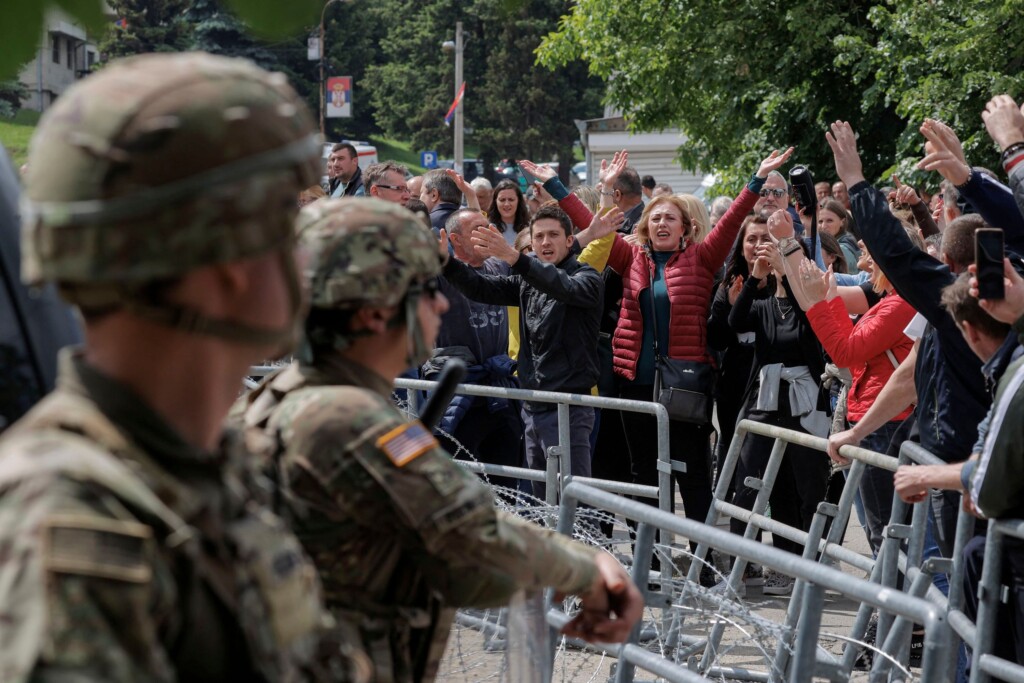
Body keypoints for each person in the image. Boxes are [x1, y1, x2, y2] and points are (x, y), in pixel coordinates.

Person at [0, 52, 346, 681]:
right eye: (289, 221)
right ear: (222, 261)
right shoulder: (69, 526)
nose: (309, 253)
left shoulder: (205, 465)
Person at [238, 199, 642, 682]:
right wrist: (590, 572)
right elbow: (473, 537)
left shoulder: (281, 398)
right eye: (421, 291)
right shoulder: (351, 422)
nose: (441, 305)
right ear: (371, 312)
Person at [600, 147, 794, 560]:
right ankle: (646, 557)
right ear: (645, 227)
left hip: (685, 387)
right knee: (642, 474)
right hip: (633, 382)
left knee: (692, 475)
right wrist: (597, 189)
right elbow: (592, 227)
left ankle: (703, 561)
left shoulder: (702, 258)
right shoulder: (630, 256)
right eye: (655, 217)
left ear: (685, 227)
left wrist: (757, 179)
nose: (661, 223)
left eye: (670, 217)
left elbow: (729, 223)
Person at [442, 204, 604, 500]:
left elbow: (563, 287)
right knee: (542, 499)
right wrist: (447, 264)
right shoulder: (527, 280)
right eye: (539, 236)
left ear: (570, 241)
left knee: (575, 504)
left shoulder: (587, 278)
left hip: (567, 406)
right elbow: (482, 288)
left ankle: (583, 548)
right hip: (532, 404)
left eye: (553, 235)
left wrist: (515, 258)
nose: (545, 242)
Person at [726, 209, 831, 596]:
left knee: (808, 488)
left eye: (788, 257)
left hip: (804, 403)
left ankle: (810, 569)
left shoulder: (812, 305)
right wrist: (756, 277)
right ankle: (739, 565)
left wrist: (796, 281)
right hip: (766, 402)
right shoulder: (763, 304)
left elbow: (813, 347)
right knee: (748, 482)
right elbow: (735, 323)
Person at [797, 233, 918, 554]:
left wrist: (824, 302)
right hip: (880, 417)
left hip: (886, 423)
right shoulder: (896, 300)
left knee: (886, 535)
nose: (863, 266)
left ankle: (892, 601)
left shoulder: (900, 305)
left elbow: (844, 351)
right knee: (882, 529)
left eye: (869, 258)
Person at [424, 208, 521, 491]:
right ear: (455, 238)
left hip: (498, 393)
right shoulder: (442, 272)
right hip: (458, 396)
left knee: (506, 483)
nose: (487, 232)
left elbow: (544, 266)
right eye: (476, 229)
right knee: (458, 484)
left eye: (488, 226)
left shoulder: (499, 267)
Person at [817, 198, 860, 273]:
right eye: (820, 221)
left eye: (829, 221)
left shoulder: (842, 249)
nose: (823, 226)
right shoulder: (847, 241)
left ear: (842, 222)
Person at [487, 178, 530, 245]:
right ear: (495, 202)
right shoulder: (488, 228)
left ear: (518, 201)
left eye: (511, 199)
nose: (506, 204)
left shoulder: (529, 228)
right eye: (502, 200)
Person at [419, 168, 462, 234]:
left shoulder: (423, 224)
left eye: (421, 193)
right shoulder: (469, 221)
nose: (419, 199)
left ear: (434, 195)